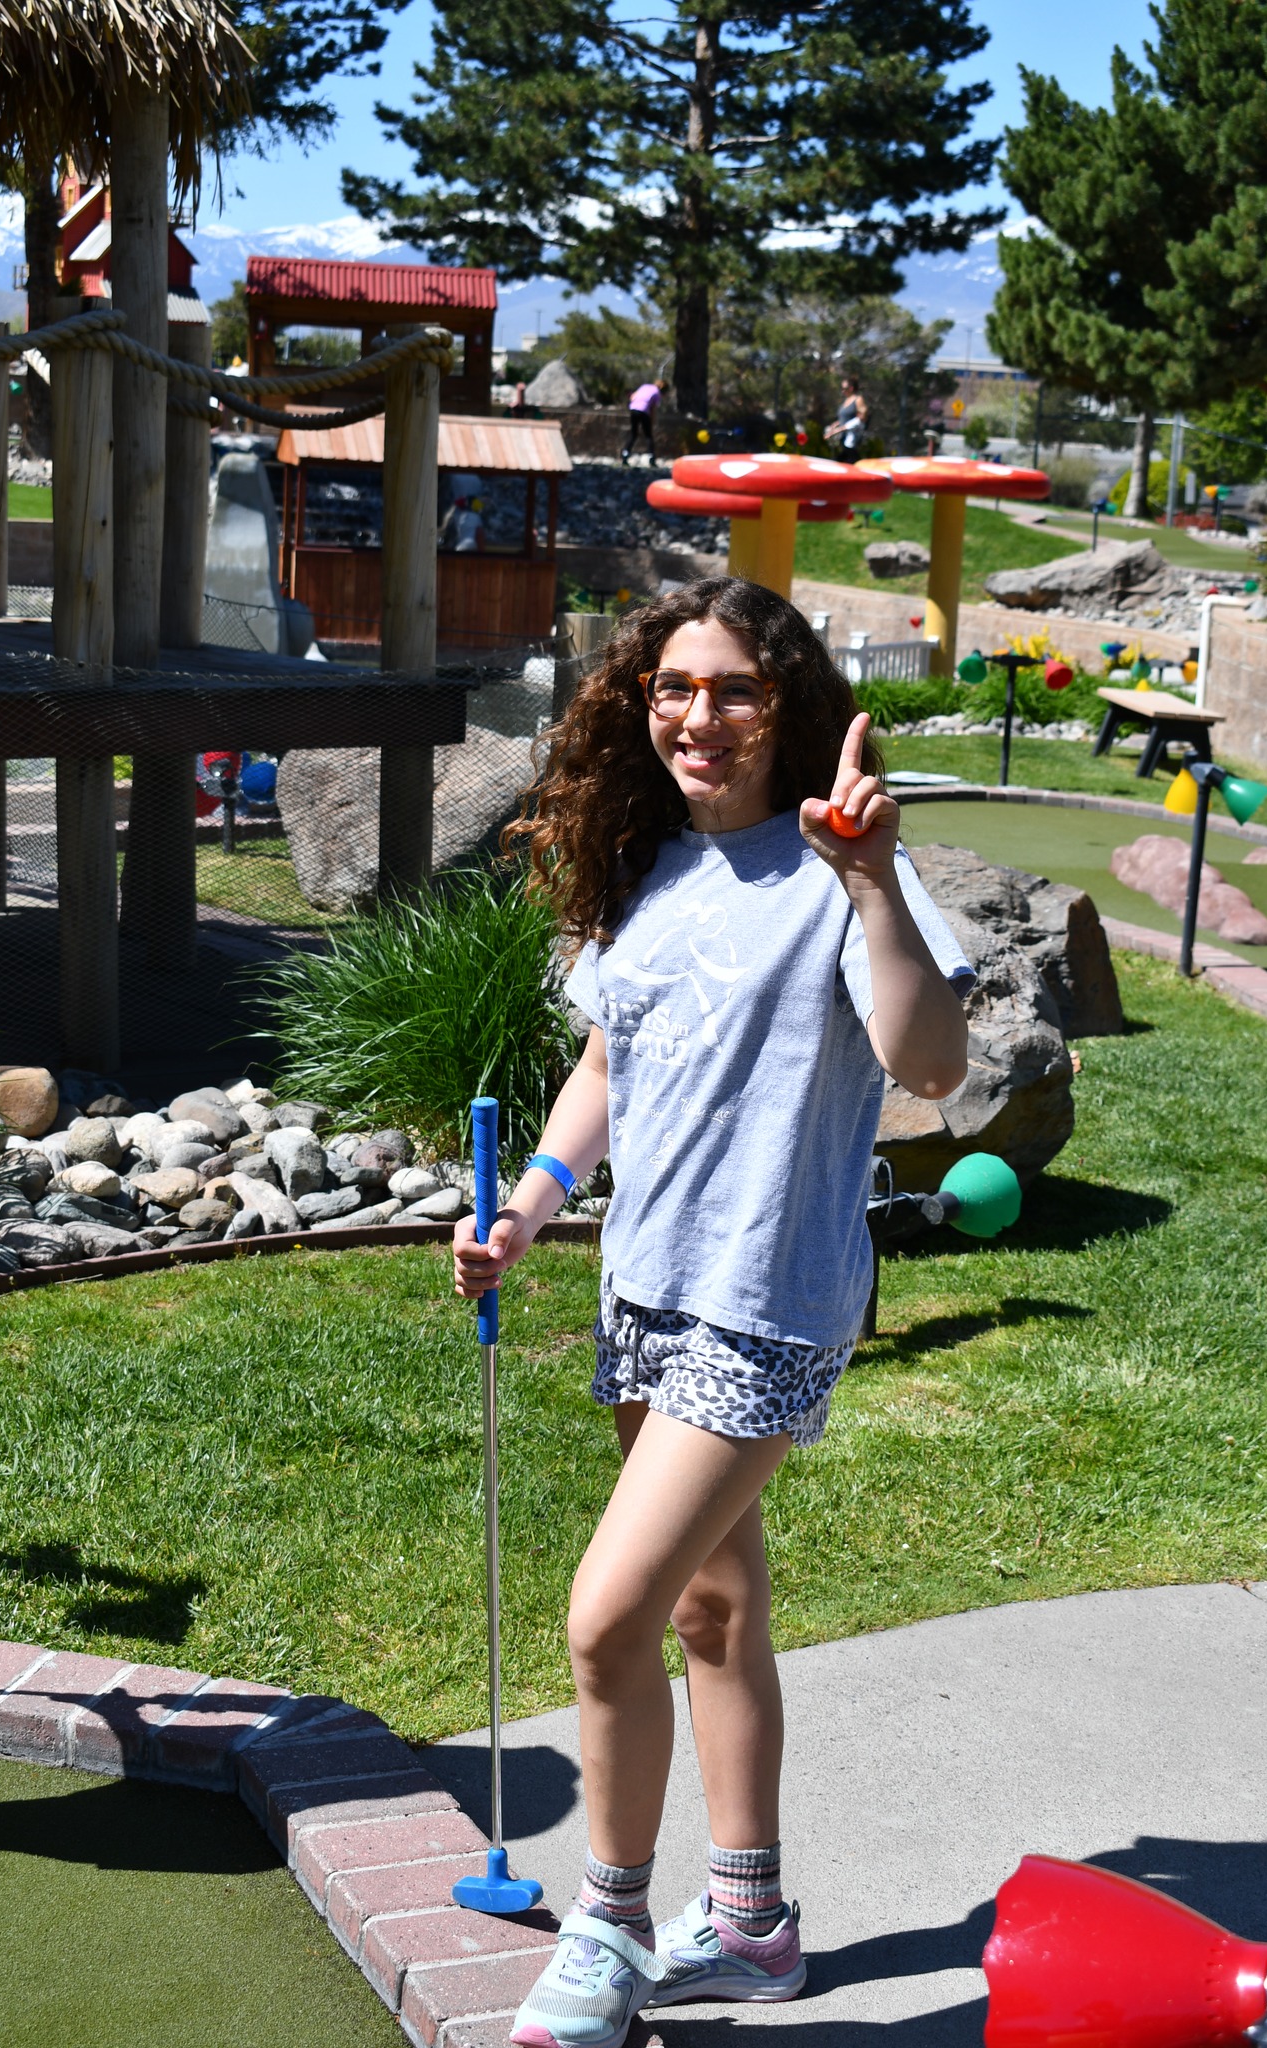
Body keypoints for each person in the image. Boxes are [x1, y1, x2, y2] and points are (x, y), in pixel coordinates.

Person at [454, 577, 973, 2048]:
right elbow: (610, 1071)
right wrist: (529, 1205)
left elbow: (928, 1064)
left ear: (786, 705)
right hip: (648, 1288)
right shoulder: (647, 872)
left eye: (735, 688)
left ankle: (608, 1925)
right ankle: (749, 1922)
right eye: (674, 687)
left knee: (606, 1619)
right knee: (710, 1606)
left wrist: (872, 881)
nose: (699, 715)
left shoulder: (841, 868)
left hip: (766, 1301)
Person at [621, 377, 668, 465]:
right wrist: (652, 420)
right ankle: (652, 458)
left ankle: (625, 454)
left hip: (633, 409)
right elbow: (652, 409)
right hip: (644, 411)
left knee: (633, 433)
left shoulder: (645, 386)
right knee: (648, 435)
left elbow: (632, 397)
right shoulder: (657, 393)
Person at [823, 376, 869, 457]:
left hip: (852, 442)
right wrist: (834, 425)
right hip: (842, 440)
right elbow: (843, 419)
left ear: (851, 388)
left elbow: (861, 418)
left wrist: (837, 430)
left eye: (844, 388)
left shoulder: (858, 399)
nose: (842, 391)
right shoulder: (845, 401)